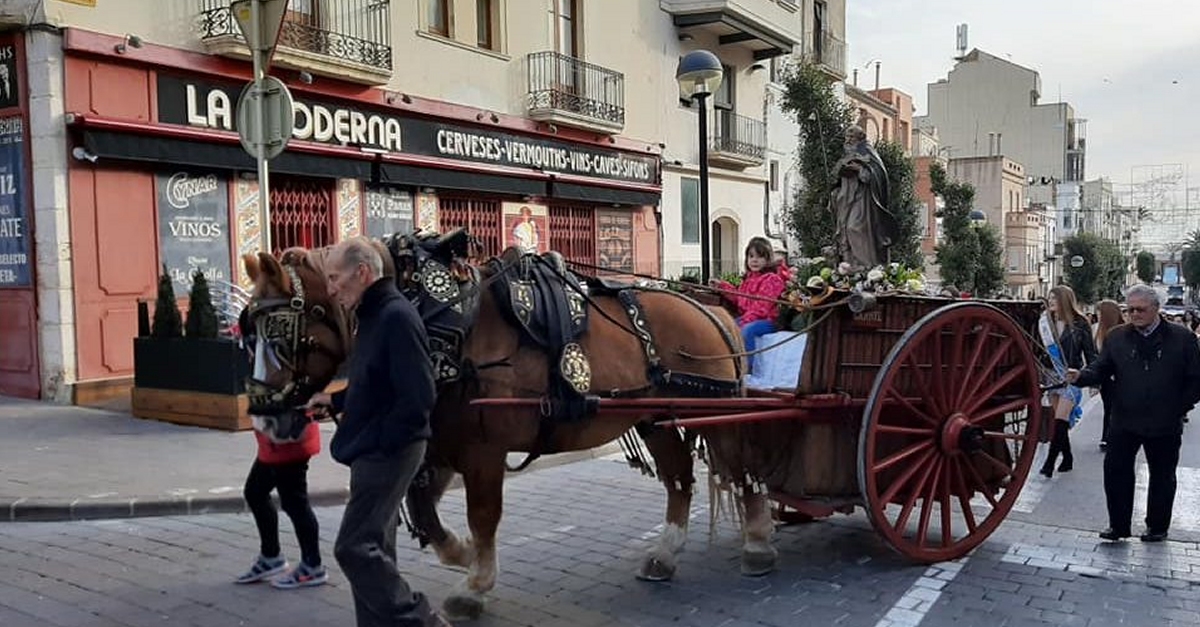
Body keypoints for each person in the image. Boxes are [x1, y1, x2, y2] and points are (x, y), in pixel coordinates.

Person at [306, 237, 450, 627]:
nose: (331, 289)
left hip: (388, 451)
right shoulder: (372, 314)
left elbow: (419, 394)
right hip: (374, 446)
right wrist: (335, 402)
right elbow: (374, 380)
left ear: (363, 273)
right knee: (376, 549)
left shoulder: (395, 317)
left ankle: (422, 620)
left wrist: (383, 442)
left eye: (336, 278)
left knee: (354, 547)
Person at [1068, 284, 1200, 543]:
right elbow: (1101, 368)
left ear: (1156, 309)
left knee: (1162, 475)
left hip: (1164, 422)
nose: (1135, 314)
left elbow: (1196, 380)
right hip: (1124, 419)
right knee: (1116, 471)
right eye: (1130, 310)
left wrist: (1178, 407)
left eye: (1141, 309)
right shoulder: (1117, 337)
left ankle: (1157, 527)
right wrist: (1081, 376)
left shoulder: (1182, 338)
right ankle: (1118, 526)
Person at [234, 409, 326, 588]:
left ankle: (312, 566)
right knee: (255, 492)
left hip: (288, 438)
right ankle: (271, 557)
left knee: (294, 503)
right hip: (275, 439)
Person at [1037, 285, 1097, 478]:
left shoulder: (1081, 323)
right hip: (1051, 375)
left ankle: (1049, 463)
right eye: (1049, 298)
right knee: (1058, 421)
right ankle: (1068, 457)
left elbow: (1090, 353)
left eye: (1054, 298)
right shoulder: (1045, 322)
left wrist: (1093, 379)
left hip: (1071, 376)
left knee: (1061, 420)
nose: (1051, 301)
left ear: (1064, 300)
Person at [711, 236, 789, 374]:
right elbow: (740, 298)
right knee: (724, 327)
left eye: (760, 257)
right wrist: (722, 287)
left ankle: (746, 369)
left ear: (768, 259)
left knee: (747, 331)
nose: (754, 260)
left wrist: (743, 321)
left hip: (767, 321)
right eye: (751, 256)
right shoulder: (748, 279)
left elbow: (762, 307)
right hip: (749, 317)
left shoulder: (772, 279)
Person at [829, 125, 897, 269]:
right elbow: (834, 178)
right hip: (844, 201)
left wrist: (859, 170)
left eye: (851, 137)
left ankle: (866, 266)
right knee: (845, 232)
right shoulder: (845, 156)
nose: (848, 140)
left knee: (855, 228)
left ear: (860, 138)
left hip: (863, 200)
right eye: (846, 137)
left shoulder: (868, 154)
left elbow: (877, 175)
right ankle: (848, 267)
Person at [1093, 299, 1123, 451]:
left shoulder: (1121, 332)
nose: (1097, 315)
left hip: (1121, 377)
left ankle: (1110, 437)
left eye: (1099, 312)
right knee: (1109, 408)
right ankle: (1107, 436)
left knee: (1115, 408)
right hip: (1106, 377)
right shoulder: (1097, 331)